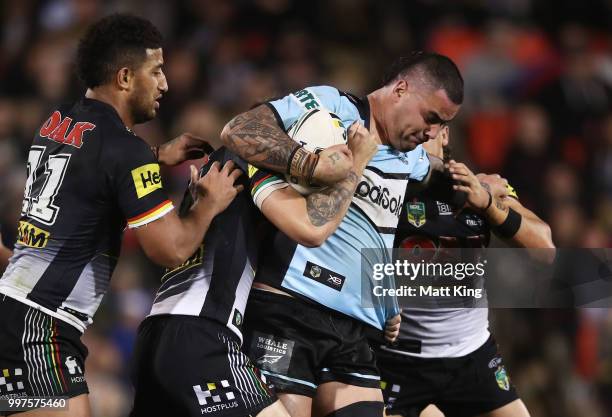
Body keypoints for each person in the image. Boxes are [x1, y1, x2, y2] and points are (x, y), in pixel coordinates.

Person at [0, 14, 246, 417]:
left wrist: (152, 158)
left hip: (24, 318)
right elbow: (171, 249)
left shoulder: (59, 120)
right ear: (126, 77)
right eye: (157, 71)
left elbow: (93, 173)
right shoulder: (124, 150)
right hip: (40, 329)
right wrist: (210, 201)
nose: (165, 84)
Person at [220, 52, 464, 417]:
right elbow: (238, 130)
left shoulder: (409, 157)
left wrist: (492, 195)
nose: (431, 133)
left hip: (355, 330)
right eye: (430, 118)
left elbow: (449, 181)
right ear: (400, 89)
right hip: (290, 309)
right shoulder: (332, 107)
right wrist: (312, 164)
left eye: (441, 125)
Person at [129, 121, 378, 417]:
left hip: (154, 333)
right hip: (203, 336)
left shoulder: (218, 166)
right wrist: (355, 165)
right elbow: (312, 228)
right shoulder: (248, 165)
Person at [376, 125, 555, 417]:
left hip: (471, 356)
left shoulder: (479, 186)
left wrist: (488, 205)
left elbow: (544, 248)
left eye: (428, 129)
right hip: (399, 360)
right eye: (409, 130)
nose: (418, 138)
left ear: (444, 134)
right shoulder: (383, 186)